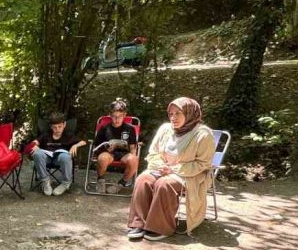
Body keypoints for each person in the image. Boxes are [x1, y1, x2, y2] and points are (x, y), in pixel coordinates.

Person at [127, 97, 215, 241]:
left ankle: (160, 227)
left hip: (189, 175)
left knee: (164, 184)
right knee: (143, 179)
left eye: (178, 113)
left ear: (190, 113)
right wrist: (160, 165)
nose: (173, 118)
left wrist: (174, 169)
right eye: (171, 114)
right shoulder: (165, 129)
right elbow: (153, 153)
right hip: (162, 168)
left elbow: (203, 164)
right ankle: (138, 223)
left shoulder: (203, 134)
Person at [29, 113, 86, 196]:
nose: (57, 129)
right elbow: (35, 142)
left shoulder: (68, 135)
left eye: (60, 126)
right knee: (37, 153)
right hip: (47, 158)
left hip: (59, 159)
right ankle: (45, 181)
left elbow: (83, 142)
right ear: (51, 127)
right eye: (54, 127)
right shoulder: (46, 134)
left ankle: (66, 183)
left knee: (65, 156)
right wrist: (34, 145)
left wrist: (75, 145)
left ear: (64, 124)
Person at [91, 100, 140, 192]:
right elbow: (97, 146)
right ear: (110, 115)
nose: (116, 119)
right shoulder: (104, 128)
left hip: (124, 154)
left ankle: (121, 183)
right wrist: (106, 148)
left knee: (134, 160)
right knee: (103, 158)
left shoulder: (130, 129)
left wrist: (133, 158)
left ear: (124, 115)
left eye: (119, 116)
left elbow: (132, 147)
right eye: (114, 116)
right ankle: (100, 180)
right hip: (109, 154)